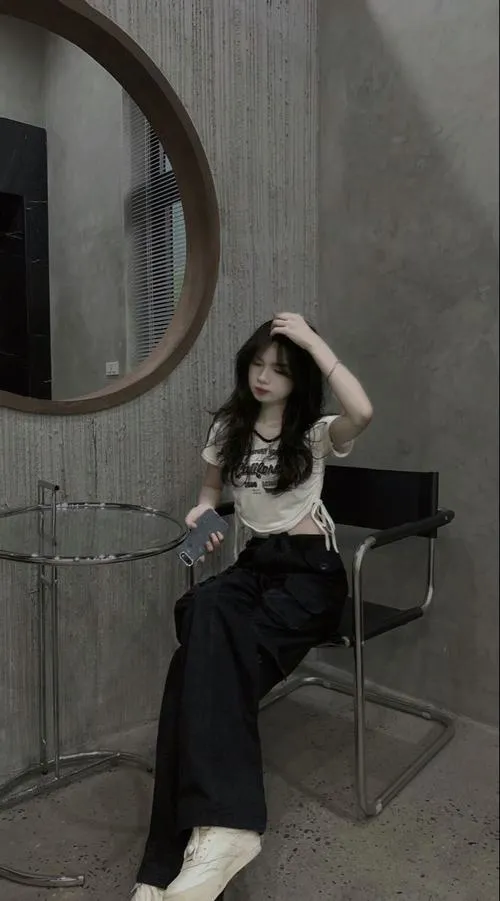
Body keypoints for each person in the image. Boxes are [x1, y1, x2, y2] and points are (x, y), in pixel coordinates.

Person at [132, 313, 373, 901]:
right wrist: (202, 512)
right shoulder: (229, 427)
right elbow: (211, 491)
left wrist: (314, 341)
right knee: (205, 611)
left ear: (300, 377)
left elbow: (363, 411)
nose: (264, 377)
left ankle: (163, 866)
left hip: (311, 574)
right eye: (257, 365)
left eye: (280, 370)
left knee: (196, 668)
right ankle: (222, 833)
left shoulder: (314, 431)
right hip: (255, 564)